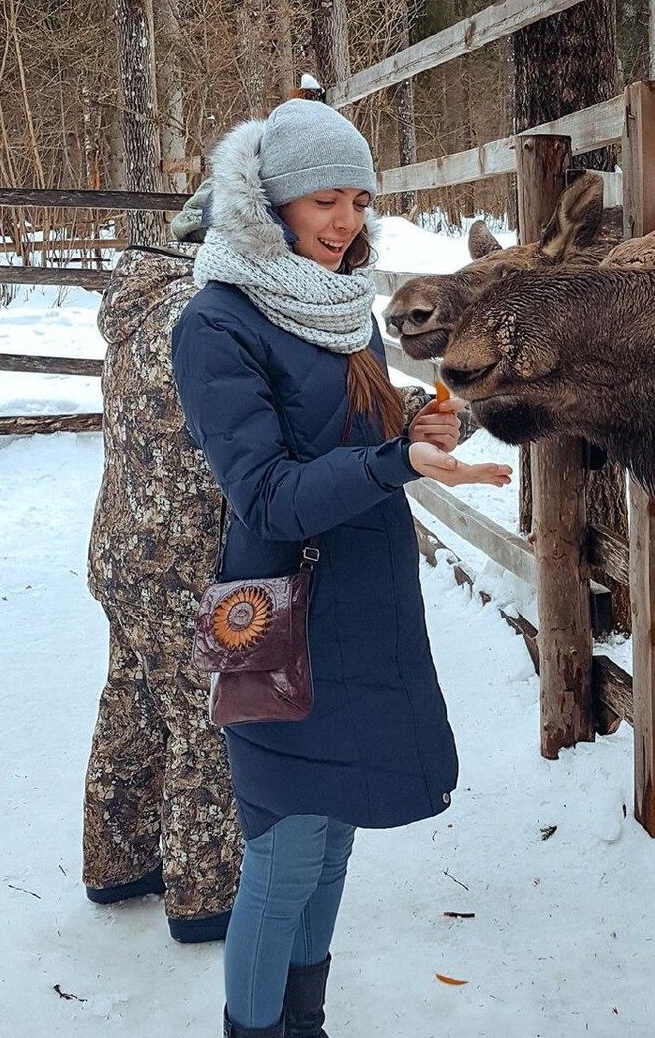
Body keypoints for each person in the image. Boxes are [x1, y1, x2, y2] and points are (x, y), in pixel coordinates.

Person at [172, 98, 512, 1038]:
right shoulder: (216, 323)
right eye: (325, 200)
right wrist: (395, 461)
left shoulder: (337, 305)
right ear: (271, 201)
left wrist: (412, 424)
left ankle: (304, 1024)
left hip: (364, 610)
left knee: (331, 848)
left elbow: (345, 431)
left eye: (359, 201)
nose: (345, 221)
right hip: (282, 622)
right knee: (282, 860)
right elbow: (267, 495)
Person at [82, 236, 242, 943]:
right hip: (181, 564)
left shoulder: (139, 301)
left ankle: (118, 864)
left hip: (124, 548)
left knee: (133, 703)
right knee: (207, 720)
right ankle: (208, 898)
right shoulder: (204, 314)